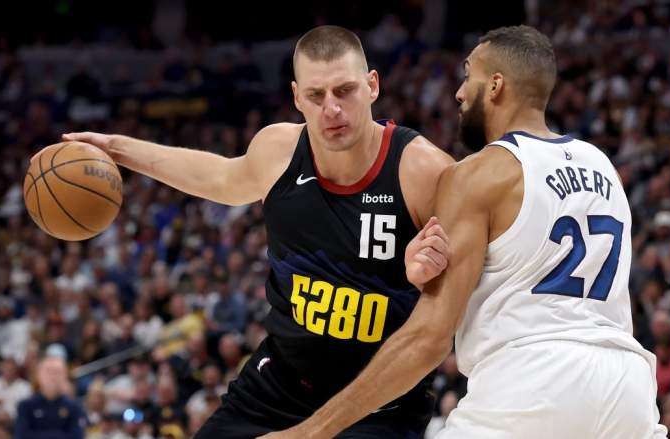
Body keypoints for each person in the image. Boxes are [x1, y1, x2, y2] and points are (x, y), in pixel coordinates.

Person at [35, 25, 453, 437]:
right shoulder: (279, 150)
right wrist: (118, 148)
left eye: (344, 90)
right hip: (281, 385)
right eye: (315, 95)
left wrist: (427, 282)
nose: (332, 108)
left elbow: (454, 309)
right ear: (296, 97)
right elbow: (219, 178)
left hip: (380, 403)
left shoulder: (422, 171)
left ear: (372, 86)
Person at [265, 25, 667, 439]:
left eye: (468, 75)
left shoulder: (477, 175)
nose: (458, 92)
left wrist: (308, 432)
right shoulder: (601, 165)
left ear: (494, 86)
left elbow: (429, 337)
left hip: (534, 384)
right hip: (628, 386)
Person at [14, 355, 85, 439]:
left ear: (65, 376)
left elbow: (76, 436)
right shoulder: (25, 406)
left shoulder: (74, 407)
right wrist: (61, 434)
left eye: (58, 372)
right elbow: (22, 436)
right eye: (48, 371)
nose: (53, 376)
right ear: (38, 375)